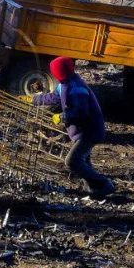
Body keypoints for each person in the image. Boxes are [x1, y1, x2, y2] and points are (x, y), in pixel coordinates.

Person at [32, 57, 115, 198]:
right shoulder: (63, 84)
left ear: (59, 72)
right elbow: (52, 98)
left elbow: (81, 112)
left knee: (72, 161)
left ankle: (106, 185)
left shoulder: (77, 88)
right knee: (84, 162)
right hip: (83, 131)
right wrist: (33, 100)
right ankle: (94, 191)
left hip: (89, 132)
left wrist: (63, 117)